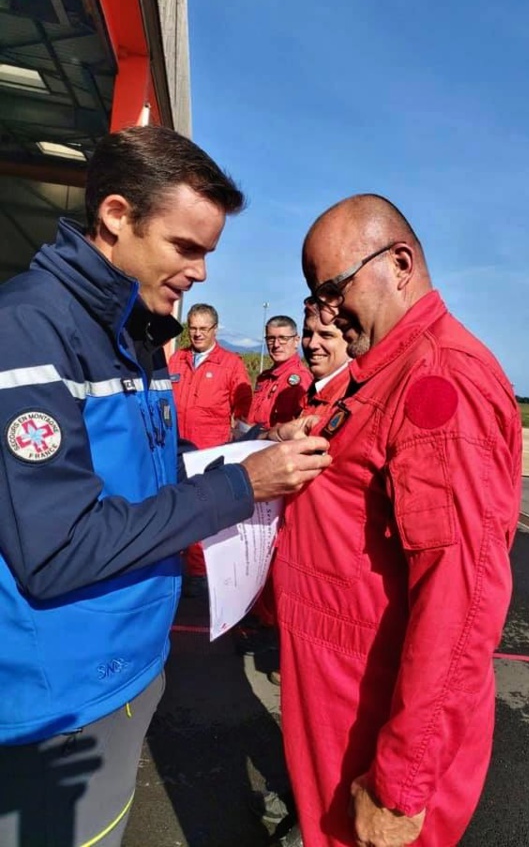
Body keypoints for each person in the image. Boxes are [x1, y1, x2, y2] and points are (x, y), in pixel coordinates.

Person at [0, 125, 330, 847]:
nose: (201, 273)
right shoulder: (30, 329)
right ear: (116, 215)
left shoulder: (135, 327)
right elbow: (57, 549)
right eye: (188, 247)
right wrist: (241, 488)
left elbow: (148, 466)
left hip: (125, 665)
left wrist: (248, 449)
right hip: (61, 697)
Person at [271, 194, 522, 847]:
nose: (325, 314)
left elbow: (461, 591)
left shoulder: (437, 379)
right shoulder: (384, 371)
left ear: (400, 263)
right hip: (336, 698)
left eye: (331, 290)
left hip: (369, 711)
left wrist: (401, 783)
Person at [169, 302, 252, 590]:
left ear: (215, 330)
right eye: (192, 328)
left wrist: (234, 445)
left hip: (208, 453)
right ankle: (173, 567)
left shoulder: (231, 364)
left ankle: (200, 574)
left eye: (204, 329)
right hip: (177, 450)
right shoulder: (177, 361)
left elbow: (243, 412)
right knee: (174, 506)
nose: (197, 334)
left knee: (202, 510)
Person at [247, 315, 313, 428]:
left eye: (283, 338)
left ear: (296, 341)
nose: (276, 345)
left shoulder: (302, 380)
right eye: (271, 339)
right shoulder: (264, 378)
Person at [300, 301, 351, 420]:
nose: (312, 344)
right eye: (307, 334)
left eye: (326, 335)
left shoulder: (351, 397)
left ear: (350, 339)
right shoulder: (315, 389)